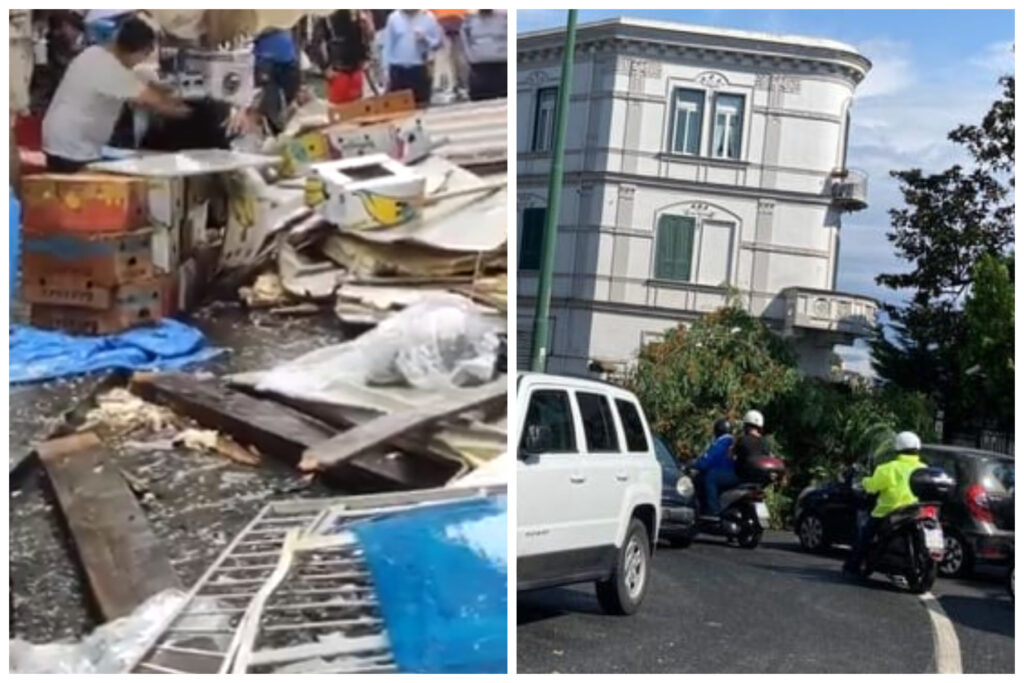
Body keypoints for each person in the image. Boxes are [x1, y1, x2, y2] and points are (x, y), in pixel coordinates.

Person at [42, 16, 189, 173]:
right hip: (73, 148)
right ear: (139, 51)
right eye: (145, 55)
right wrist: (192, 112)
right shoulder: (114, 71)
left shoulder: (94, 53)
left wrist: (163, 91)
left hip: (60, 139)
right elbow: (158, 103)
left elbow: (144, 88)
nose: (140, 62)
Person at [842, 431, 927, 578]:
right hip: (916, 511)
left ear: (897, 447)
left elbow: (872, 486)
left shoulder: (888, 468)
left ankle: (853, 565)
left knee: (865, 535)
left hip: (888, 512)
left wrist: (864, 482)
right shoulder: (924, 468)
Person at [306, 11, 373, 105]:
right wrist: (325, 68)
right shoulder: (326, 16)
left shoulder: (356, 13)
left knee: (358, 107)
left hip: (356, 69)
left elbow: (363, 37)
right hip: (338, 72)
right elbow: (314, 46)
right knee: (339, 110)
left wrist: (366, 56)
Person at [382, 10, 443, 106]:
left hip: (419, 68)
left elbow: (438, 43)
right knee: (399, 107)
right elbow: (387, 47)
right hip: (398, 70)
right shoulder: (393, 18)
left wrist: (425, 38)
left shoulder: (428, 17)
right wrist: (386, 72)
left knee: (421, 105)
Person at [253, 25, 301, 134]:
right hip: (267, 57)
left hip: (286, 58)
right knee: (270, 102)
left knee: (287, 99)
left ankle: (277, 131)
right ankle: (273, 131)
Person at [694, 418, 738, 518]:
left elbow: (708, 460)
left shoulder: (722, 442)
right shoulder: (732, 442)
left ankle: (712, 511)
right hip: (733, 473)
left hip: (725, 474)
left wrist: (695, 464)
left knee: (709, 478)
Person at [460, 10, 507, 101]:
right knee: (481, 99)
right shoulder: (469, 22)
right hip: (480, 66)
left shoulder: (505, 18)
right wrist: (470, 58)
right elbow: (464, 42)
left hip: (502, 65)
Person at [733, 409, 771, 481]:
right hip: (761, 481)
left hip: (742, 478)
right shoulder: (765, 443)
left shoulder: (741, 440)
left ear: (746, 425)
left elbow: (729, 456)